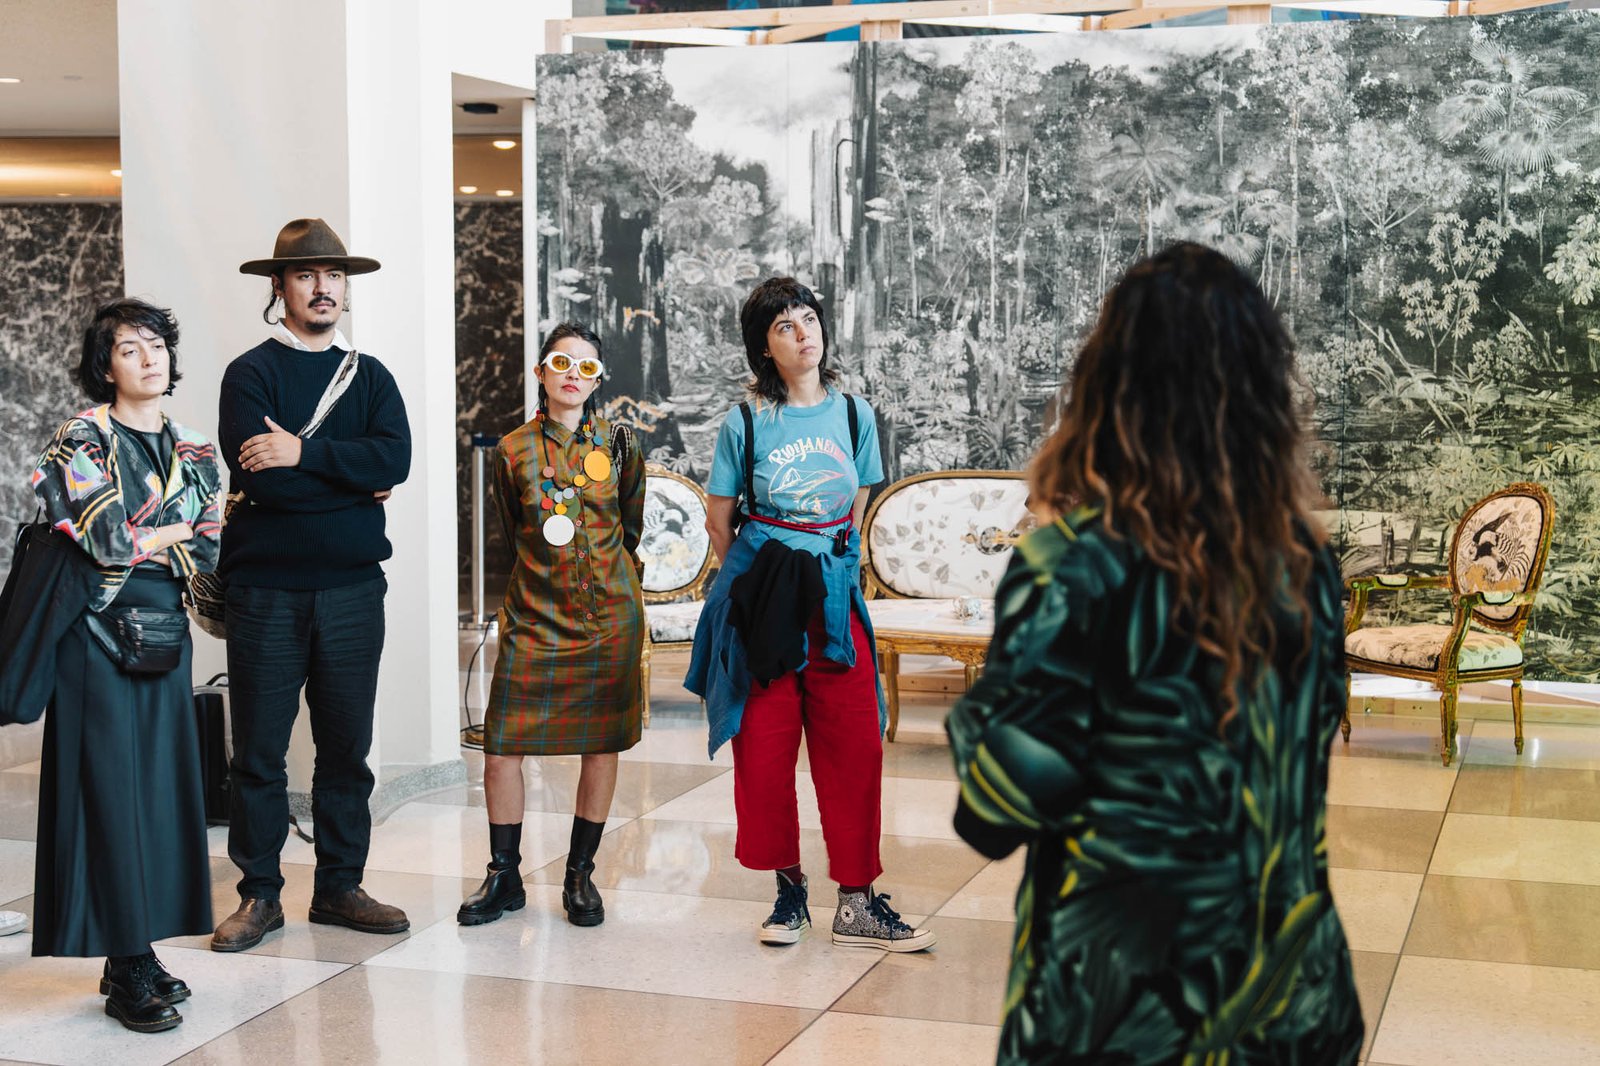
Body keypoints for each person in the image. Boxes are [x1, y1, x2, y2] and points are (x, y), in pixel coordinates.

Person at [946, 243, 1364, 1064]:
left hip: (1124, 1012)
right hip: (1290, 998)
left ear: (1109, 385)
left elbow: (994, 813)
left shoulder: (1072, 568)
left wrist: (981, 712)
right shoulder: (1305, 565)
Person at [686, 277, 934, 953]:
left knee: (854, 746)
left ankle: (856, 901)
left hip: (832, 599)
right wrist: (759, 583)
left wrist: (829, 565)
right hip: (766, 602)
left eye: (809, 320)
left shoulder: (854, 414)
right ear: (763, 348)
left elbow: (854, 505)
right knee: (764, 748)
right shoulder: (745, 422)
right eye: (784, 327)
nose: (803, 335)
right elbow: (718, 520)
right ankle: (788, 892)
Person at [211, 218, 412, 952]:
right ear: (280, 287)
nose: (323, 287)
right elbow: (262, 483)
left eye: (333, 275)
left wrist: (303, 453)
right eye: (306, 275)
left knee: (346, 750)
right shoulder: (250, 374)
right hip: (266, 593)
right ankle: (260, 895)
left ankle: (339, 887)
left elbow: (395, 460)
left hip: (354, 591)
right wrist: (352, 485)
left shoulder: (372, 376)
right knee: (259, 753)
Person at [29, 298, 222, 1032]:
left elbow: (209, 546)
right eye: (129, 348)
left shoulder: (195, 445)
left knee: (162, 792)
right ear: (104, 365)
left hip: (164, 631)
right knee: (108, 792)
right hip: (92, 633)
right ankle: (128, 959)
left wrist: (159, 537)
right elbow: (105, 539)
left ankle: (132, 951)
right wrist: (171, 532)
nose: (149, 359)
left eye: (157, 345)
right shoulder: (80, 437)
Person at [457, 323, 646, 928]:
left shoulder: (620, 444)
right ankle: (504, 875)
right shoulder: (512, 450)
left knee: (602, 745)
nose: (573, 375)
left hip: (609, 617)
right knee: (501, 749)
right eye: (561, 362)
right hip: (534, 617)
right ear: (540, 372)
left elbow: (630, 528)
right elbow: (512, 531)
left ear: (598, 380)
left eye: (587, 367)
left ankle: (580, 874)